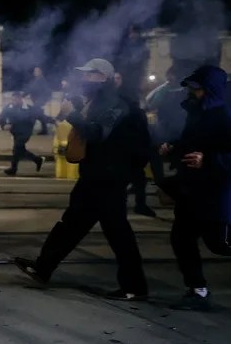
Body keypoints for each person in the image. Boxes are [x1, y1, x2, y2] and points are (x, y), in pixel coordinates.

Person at [13, 58, 149, 301]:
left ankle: (135, 287)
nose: (85, 79)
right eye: (84, 74)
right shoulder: (97, 100)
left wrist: (72, 115)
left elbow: (98, 133)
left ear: (103, 77)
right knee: (71, 225)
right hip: (95, 175)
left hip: (110, 179)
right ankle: (43, 267)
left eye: (90, 75)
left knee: (118, 232)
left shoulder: (116, 103)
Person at [159, 65, 231, 311]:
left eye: (197, 89)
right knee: (181, 238)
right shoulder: (197, 112)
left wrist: (207, 160)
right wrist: (174, 146)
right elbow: (194, 142)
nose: (192, 92)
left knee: (218, 244)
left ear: (210, 90)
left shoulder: (224, 115)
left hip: (215, 192)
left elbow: (223, 152)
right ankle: (198, 290)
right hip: (192, 190)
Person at [0, 91, 45, 176]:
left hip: (25, 132)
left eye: (15, 100)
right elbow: (1, 117)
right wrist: (4, 125)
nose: (14, 102)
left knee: (17, 148)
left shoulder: (28, 109)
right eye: (12, 100)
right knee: (20, 150)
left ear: (20, 99)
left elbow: (41, 116)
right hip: (15, 132)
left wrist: (53, 121)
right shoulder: (9, 107)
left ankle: (13, 169)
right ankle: (37, 160)